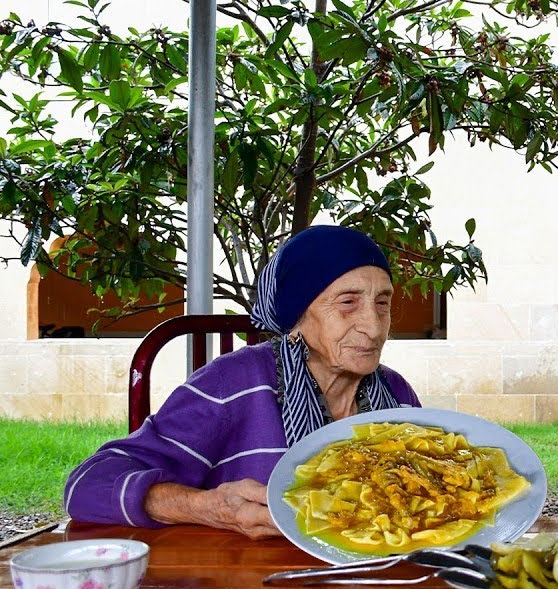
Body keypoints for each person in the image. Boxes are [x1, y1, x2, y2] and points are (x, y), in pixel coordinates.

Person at [64, 225, 420, 539]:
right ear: (296, 315)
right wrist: (207, 507)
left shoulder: (398, 394)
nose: (373, 328)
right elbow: (87, 485)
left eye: (382, 303)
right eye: (347, 303)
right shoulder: (232, 384)